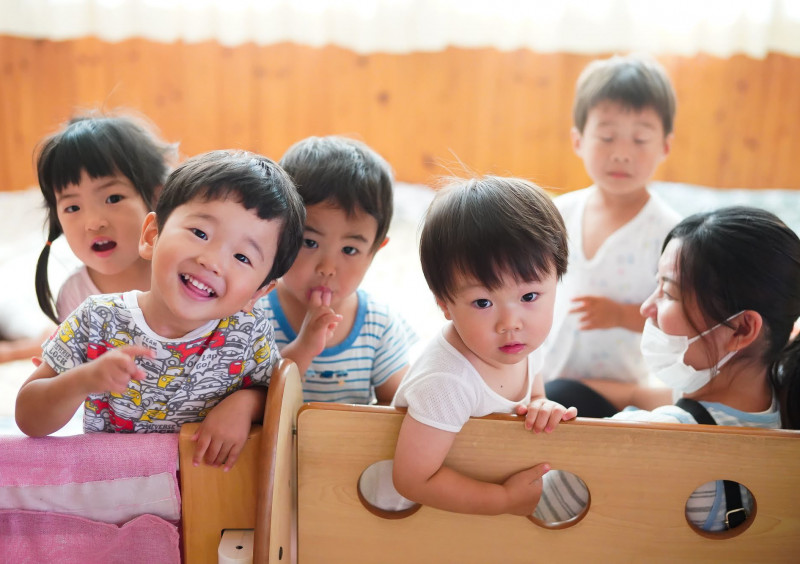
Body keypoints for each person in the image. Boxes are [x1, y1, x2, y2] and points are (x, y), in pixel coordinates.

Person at [15, 150, 305, 471]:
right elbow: (28, 417)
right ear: (152, 235)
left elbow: (279, 397)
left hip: (209, 500)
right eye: (200, 233)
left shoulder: (247, 332)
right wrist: (82, 380)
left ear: (259, 291)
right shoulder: (96, 319)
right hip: (115, 491)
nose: (212, 261)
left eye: (242, 257)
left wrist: (245, 404)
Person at [535, 206, 800, 531]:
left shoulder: (645, 441)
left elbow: (529, 515)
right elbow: (634, 393)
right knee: (565, 390)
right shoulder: (776, 397)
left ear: (742, 329)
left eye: (669, 292)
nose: (647, 307)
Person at [363, 176, 577, 516]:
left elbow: (531, 396)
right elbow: (413, 480)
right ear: (445, 304)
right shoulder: (447, 382)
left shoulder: (524, 343)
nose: (511, 322)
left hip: (472, 508)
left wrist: (541, 405)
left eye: (529, 296)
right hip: (402, 519)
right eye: (482, 302)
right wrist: (504, 501)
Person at [541, 53, 682, 417]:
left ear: (665, 146)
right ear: (578, 140)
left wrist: (620, 315)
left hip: (616, 394)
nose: (621, 153)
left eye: (639, 139)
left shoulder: (670, 233)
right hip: (544, 375)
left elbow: (681, 318)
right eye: (606, 136)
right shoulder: (556, 213)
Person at [258, 136, 417, 404]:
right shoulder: (252, 314)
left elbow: (399, 409)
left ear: (375, 251)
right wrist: (304, 348)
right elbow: (255, 403)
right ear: (279, 232)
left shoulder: (378, 325)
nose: (327, 268)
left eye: (350, 250)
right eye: (309, 242)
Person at [34, 111, 178, 324]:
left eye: (113, 198)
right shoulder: (75, 296)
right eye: (73, 207)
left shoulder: (182, 273)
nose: (94, 223)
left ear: (156, 197)